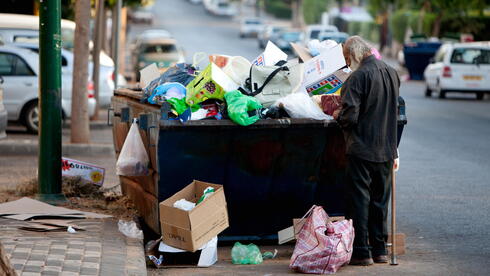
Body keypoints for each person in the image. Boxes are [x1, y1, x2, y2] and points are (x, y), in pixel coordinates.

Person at [333, 36, 400, 266]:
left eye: (346, 58)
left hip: (362, 149)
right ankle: (380, 250)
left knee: (359, 201)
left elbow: (350, 116)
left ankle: (362, 252)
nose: (347, 62)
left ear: (353, 54)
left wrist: (337, 115)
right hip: (387, 148)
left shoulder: (357, 77)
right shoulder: (392, 72)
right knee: (380, 202)